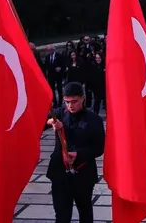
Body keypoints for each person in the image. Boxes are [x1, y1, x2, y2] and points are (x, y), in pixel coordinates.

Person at [45, 82, 105, 223]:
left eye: (74, 102)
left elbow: (98, 148)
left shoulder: (94, 119)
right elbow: (41, 122)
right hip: (60, 173)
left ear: (83, 98)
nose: (70, 106)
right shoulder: (59, 113)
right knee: (62, 215)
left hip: (83, 173)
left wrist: (79, 154)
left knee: (85, 213)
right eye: (67, 102)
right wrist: (50, 122)